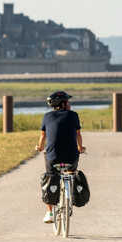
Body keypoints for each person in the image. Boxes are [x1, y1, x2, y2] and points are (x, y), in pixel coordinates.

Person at [36, 90, 86, 224]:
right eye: (68, 102)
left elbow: (43, 136)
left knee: (50, 177)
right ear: (63, 104)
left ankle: (50, 212)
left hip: (53, 156)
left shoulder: (47, 117)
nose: (69, 104)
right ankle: (70, 196)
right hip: (71, 156)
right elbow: (78, 135)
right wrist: (80, 148)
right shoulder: (74, 115)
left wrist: (40, 147)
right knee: (71, 173)